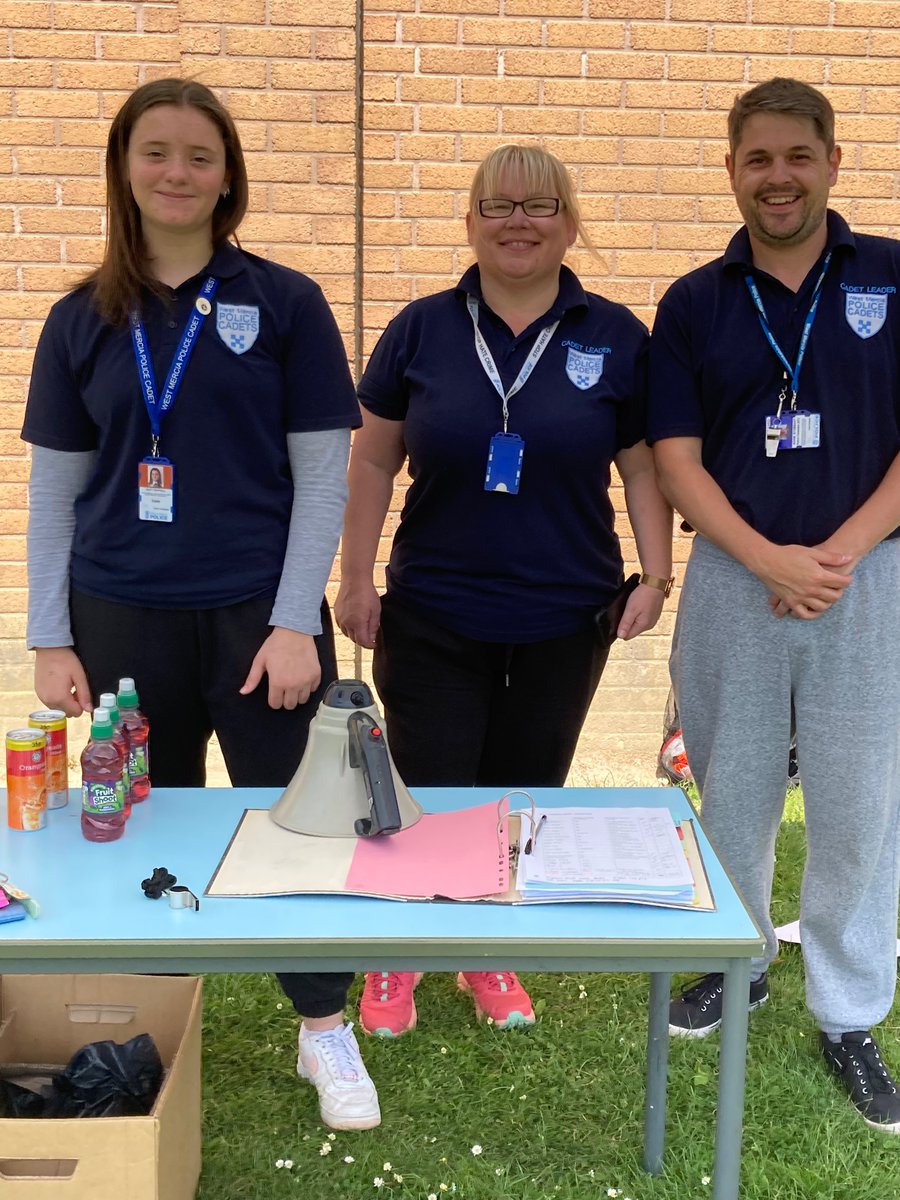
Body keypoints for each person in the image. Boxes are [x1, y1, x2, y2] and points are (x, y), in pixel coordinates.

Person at [21, 79, 379, 1131]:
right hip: (119, 613)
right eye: (155, 153)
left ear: (229, 177)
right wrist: (49, 634)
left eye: (199, 156)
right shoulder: (82, 318)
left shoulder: (284, 302)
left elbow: (323, 475)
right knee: (135, 823)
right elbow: (54, 493)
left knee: (295, 826)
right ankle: (145, 1021)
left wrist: (289, 620)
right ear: (123, 170)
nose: (176, 174)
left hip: (255, 619)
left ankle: (324, 1029)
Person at [336, 144, 674, 1038]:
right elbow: (372, 459)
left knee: (524, 793)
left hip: (568, 614)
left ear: (568, 222)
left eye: (539, 205)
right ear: (472, 220)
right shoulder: (421, 329)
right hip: (435, 610)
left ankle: (486, 949)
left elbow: (641, 466)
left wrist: (657, 570)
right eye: (498, 205)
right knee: (425, 792)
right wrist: (355, 576)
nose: (518, 221)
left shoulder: (615, 335)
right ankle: (398, 953)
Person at [648, 78, 900, 1131]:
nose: (779, 176)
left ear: (833, 161)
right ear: (732, 170)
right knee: (732, 789)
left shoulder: (890, 274)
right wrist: (767, 561)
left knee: (859, 808)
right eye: (758, 158)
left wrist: (833, 554)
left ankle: (848, 1010)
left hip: (866, 575)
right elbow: (675, 456)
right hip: (733, 579)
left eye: (798, 155)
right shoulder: (696, 300)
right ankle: (737, 960)